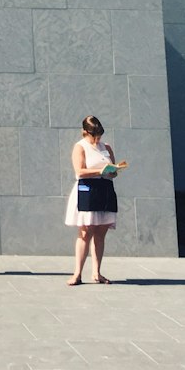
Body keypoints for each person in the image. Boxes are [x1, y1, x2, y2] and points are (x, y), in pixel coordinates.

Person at [64, 115, 118, 285]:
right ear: (85, 132)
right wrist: (100, 171)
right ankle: (77, 273)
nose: (97, 139)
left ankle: (97, 272)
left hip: (105, 189)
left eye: (99, 135)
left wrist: (113, 170)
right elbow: (79, 171)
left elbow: (113, 171)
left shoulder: (106, 147)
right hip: (87, 189)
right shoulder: (80, 147)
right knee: (86, 232)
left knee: (101, 233)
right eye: (93, 135)